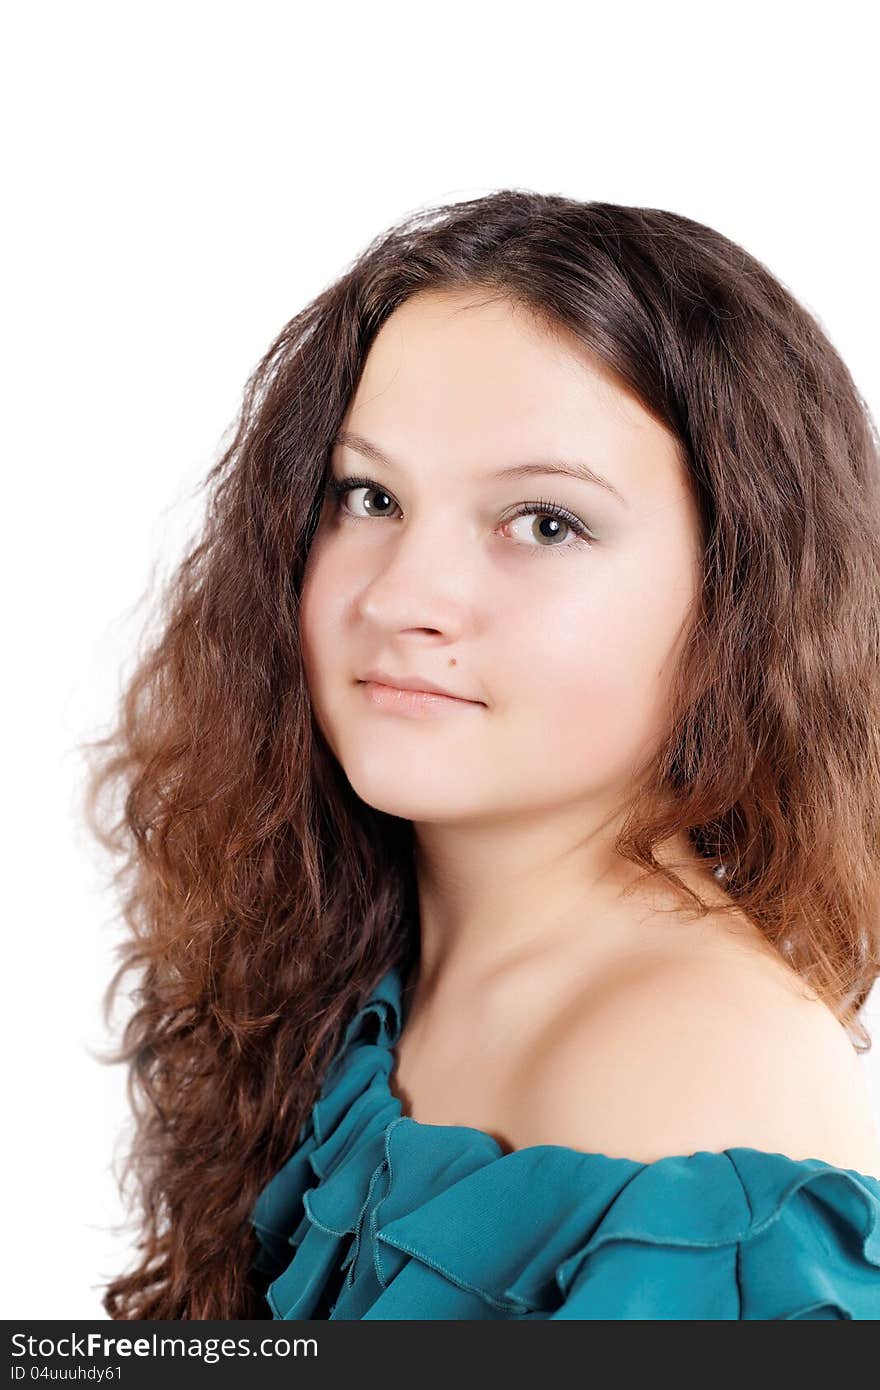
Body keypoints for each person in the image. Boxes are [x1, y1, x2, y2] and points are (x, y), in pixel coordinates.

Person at [84, 190, 880, 1320]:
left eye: (544, 522)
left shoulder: (701, 1074)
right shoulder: (342, 955)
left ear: (743, 598)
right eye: (367, 496)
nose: (402, 594)